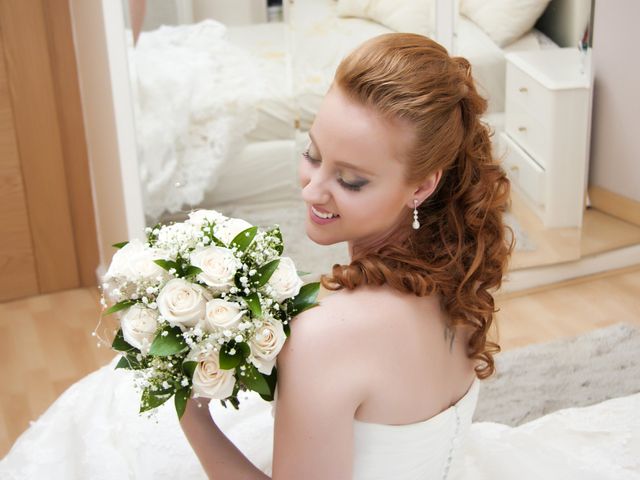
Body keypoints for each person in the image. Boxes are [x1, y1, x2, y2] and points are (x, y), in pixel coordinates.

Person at [2, 33, 639, 480]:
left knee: (99, 427)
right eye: (313, 153)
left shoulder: (329, 334)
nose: (312, 189)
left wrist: (189, 412)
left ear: (421, 184)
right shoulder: (460, 269)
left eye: (351, 179)